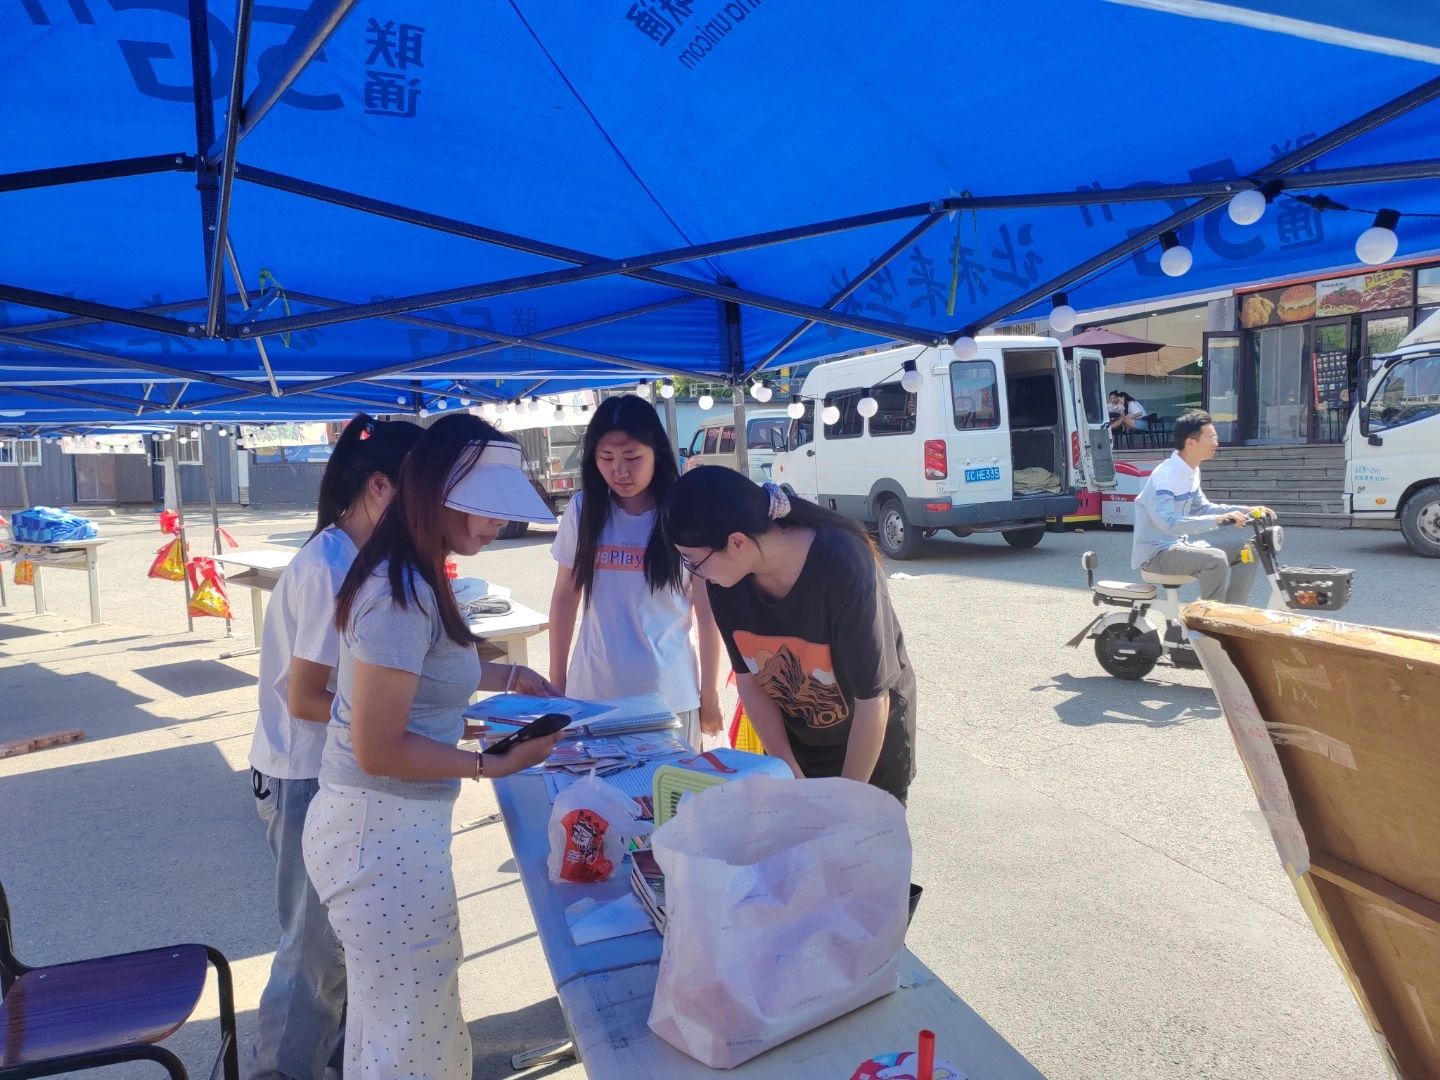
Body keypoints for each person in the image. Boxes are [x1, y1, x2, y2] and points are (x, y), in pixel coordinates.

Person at [302, 414, 561, 1080]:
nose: (497, 523)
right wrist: (490, 764)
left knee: (391, 1023)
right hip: (380, 833)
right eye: (485, 507)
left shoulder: (413, 572)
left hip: (383, 828)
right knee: (414, 1037)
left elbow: (424, 675)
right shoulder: (400, 591)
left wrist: (502, 679)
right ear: (435, 492)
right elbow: (379, 748)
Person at [247, 413, 422, 1080]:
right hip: (303, 775)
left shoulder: (357, 556)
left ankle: (332, 1058)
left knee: (339, 937)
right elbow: (304, 698)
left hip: (324, 769)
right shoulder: (330, 569)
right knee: (312, 947)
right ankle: (280, 1071)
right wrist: (394, 723)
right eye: (421, 494)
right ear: (379, 486)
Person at [663, 466, 916, 805]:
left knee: (856, 835)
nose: (696, 574)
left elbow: (873, 701)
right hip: (800, 748)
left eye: (694, 561)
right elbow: (749, 680)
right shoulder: (725, 582)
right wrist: (789, 771)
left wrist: (844, 801)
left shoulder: (841, 563)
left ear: (737, 542)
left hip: (871, 748)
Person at [548, 395, 724, 746]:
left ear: (656, 452)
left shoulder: (686, 514)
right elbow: (565, 597)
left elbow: (707, 613)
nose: (620, 471)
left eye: (632, 457)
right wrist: (557, 681)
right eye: (606, 458)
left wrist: (710, 693)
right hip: (592, 696)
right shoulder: (583, 511)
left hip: (669, 698)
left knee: (670, 784)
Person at [1131, 409, 1273, 603]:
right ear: (1191, 442)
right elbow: (1169, 524)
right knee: (1216, 560)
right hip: (1156, 555)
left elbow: (1202, 508)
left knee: (1248, 550)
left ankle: (1233, 612)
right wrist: (1218, 520)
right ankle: (1208, 618)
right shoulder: (1165, 476)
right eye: (1211, 438)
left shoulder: (1191, 471)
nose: (1216, 443)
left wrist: (1246, 511)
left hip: (1179, 546)